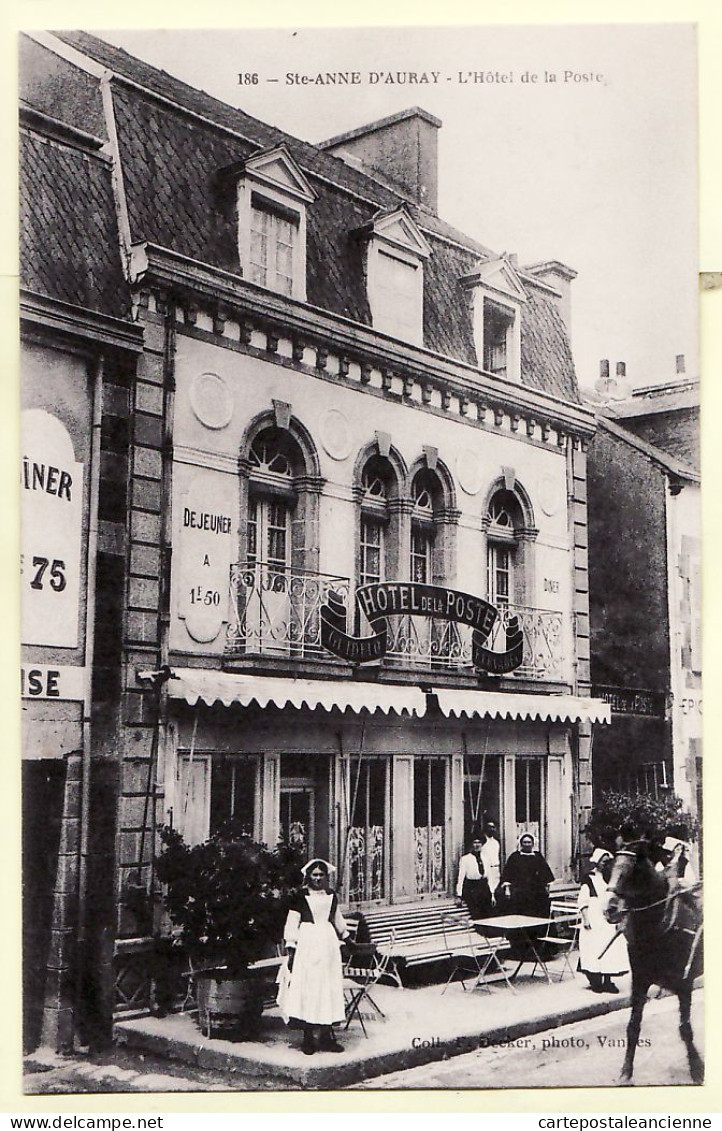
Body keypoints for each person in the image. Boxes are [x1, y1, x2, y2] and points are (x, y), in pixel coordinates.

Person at [277, 858, 349, 1055]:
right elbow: (292, 923)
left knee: (327, 988)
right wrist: (291, 949)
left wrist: (347, 938)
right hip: (308, 945)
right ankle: (308, 1038)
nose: (318, 878)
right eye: (314, 874)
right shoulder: (300, 897)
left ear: (326, 876)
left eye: (321, 875)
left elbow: (337, 919)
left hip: (328, 945)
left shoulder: (331, 896)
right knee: (309, 989)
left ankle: (326, 1037)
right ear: (308, 876)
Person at [577, 847, 629, 994]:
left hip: (609, 918)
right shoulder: (589, 878)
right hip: (594, 917)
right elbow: (583, 900)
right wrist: (586, 918)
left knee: (610, 948)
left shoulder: (611, 879)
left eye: (607, 862)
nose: (605, 865)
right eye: (603, 862)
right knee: (594, 948)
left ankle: (608, 980)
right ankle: (595, 980)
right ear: (597, 862)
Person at [500, 833, 554, 919]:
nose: (527, 844)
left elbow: (545, 873)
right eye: (525, 842)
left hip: (536, 892)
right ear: (521, 844)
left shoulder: (538, 856)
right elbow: (507, 874)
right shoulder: (515, 857)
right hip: (520, 892)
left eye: (529, 842)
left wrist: (547, 888)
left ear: (533, 844)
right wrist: (507, 890)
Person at [456, 831, 493, 919]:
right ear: (471, 845)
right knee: (477, 914)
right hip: (472, 889)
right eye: (474, 842)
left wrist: (492, 893)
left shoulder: (486, 858)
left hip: (484, 887)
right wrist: (459, 895)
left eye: (479, 842)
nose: (477, 845)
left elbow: (490, 877)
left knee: (488, 913)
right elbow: (461, 878)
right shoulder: (466, 859)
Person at [480, 819, 502, 903]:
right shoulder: (482, 842)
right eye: (489, 827)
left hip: (495, 868)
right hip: (486, 869)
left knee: (496, 888)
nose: (491, 829)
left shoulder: (496, 843)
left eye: (493, 827)